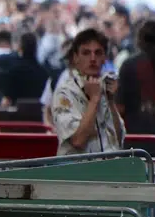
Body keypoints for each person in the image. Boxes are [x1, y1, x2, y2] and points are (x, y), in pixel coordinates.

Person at [49, 28, 124, 156]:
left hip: (112, 164)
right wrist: (94, 100)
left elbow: (118, 140)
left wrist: (111, 101)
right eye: (86, 53)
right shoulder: (64, 93)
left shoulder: (106, 87)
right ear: (75, 58)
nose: (93, 58)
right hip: (79, 166)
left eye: (98, 53)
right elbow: (78, 141)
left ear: (104, 58)